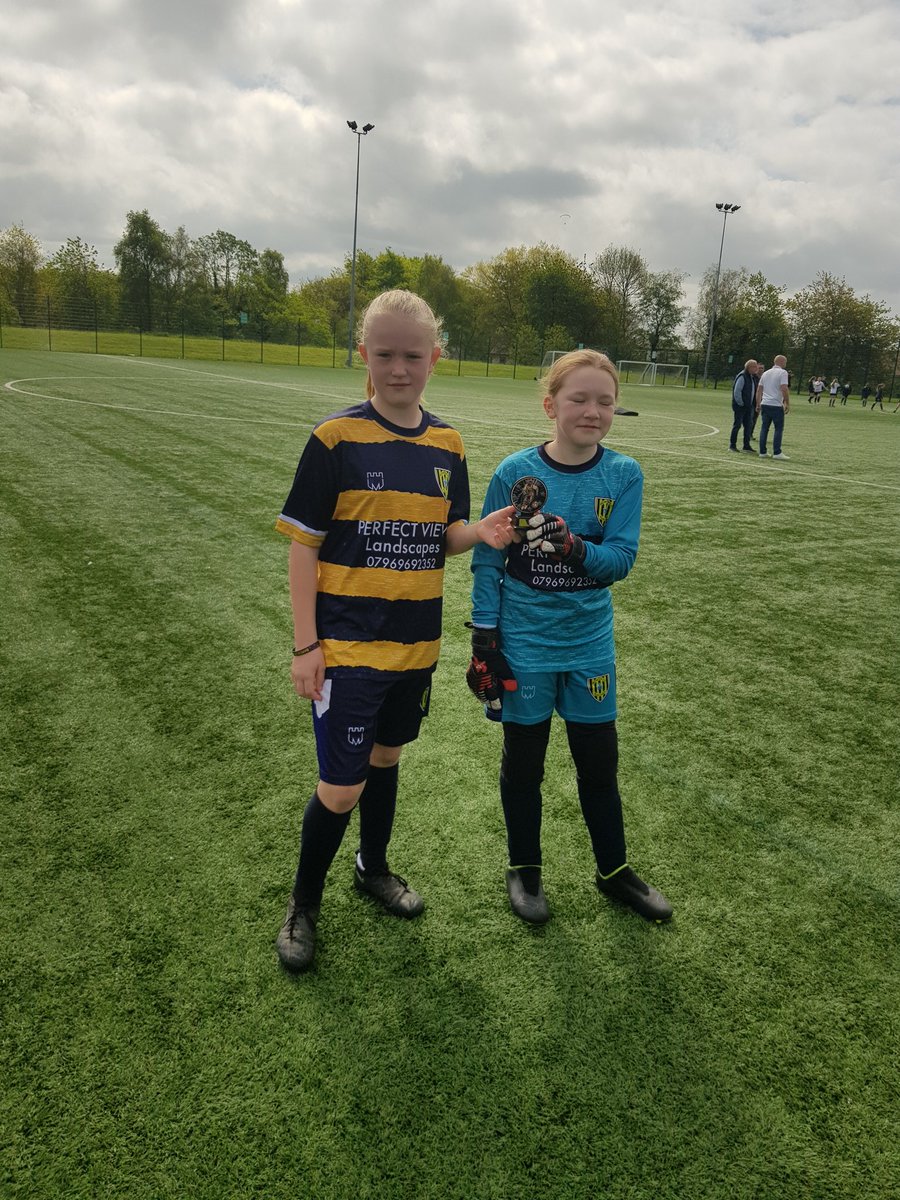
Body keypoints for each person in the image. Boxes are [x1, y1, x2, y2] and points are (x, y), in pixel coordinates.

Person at [273, 289, 516, 972]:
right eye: (385, 355)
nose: (399, 368)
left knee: (386, 761)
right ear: (364, 355)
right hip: (348, 645)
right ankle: (302, 904)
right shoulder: (335, 438)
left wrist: (480, 531)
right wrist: (305, 645)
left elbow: (440, 538)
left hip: (415, 646)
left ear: (436, 357)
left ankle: (371, 866)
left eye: (413, 355)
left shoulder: (448, 443)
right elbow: (302, 546)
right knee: (340, 786)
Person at [466, 349, 672, 926]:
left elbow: (621, 560)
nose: (593, 411)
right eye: (579, 399)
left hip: (588, 647)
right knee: (524, 764)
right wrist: (485, 636)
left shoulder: (624, 475)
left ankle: (613, 872)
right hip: (525, 645)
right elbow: (488, 560)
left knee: (599, 766)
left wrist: (575, 546)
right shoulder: (514, 473)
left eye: (604, 401)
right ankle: (525, 870)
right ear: (550, 405)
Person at [756, 354, 791, 459]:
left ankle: (762, 452)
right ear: (781, 362)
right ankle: (777, 452)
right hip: (776, 404)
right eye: (785, 362)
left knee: (764, 428)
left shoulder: (765, 373)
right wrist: (787, 402)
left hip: (765, 403)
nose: (785, 364)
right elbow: (784, 388)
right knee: (778, 428)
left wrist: (758, 403)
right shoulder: (783, 373)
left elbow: (759, 389)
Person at [729, 358, 758, 452]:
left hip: (748, 406)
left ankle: (746, 445)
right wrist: (741, 403)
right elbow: (737, 391)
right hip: (741, 406)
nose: (756, 368)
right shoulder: (742, 376)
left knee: (748, 425)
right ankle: (732, 445)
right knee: (737, 425)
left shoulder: (751, 377)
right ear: (749, 367)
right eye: (755, 366)